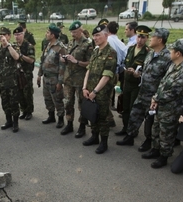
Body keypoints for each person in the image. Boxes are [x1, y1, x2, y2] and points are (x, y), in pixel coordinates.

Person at [116, 28, 172, 150]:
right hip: (142, 92)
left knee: (150, 120)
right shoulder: (151, 53)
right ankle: (130, 137)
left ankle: (148, 141)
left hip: (154, 95)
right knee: (135, 115)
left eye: (152, 37)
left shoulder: (167, 57)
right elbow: (145, 72)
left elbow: (166, 80)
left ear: (160, 40)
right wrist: (138, 74)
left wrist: (157, 97)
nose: (150, 39)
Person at [143, 39, 183, 168]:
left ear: (178, 53)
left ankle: (164, 156)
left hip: (172, 109)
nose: (169, 52)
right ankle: (155, 149)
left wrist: (157, 99)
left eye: (172, 50)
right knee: (156, 129)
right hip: (161, 105)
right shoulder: (174, 65)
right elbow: (163, 83)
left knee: (166, 133)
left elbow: (173, 93)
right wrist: (155, 98)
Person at [82, 24, 117, 154]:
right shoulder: (96, 51)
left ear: (106, 35)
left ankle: (104, 142)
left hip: (101, 92)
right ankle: (94, 137)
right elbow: (88, 70)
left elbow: (106, 76)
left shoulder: (111, 53)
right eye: (94, 35)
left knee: (103, 117)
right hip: (90, 90)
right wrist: (85, 87)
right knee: (92, 115)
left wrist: (95, 92)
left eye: (98, 35)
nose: (95, 38)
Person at [115, 25, 150, 136]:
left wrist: (137, 74)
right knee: (125, 108)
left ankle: (132, 131)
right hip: (126, 82)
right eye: (139, 37)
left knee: (133, 109)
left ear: (147, 38)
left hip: (137, 85)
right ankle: (125, 128)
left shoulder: (148, 52)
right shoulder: (131, 49)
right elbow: (125, 62)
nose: (140, 40)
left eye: (143, 37)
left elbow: (147, 71)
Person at [60, 20, 94, 137]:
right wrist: (64, 59)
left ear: (81, 30)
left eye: (75, 32)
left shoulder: (88, 44)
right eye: (71, 32)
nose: (73, 34)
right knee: (68, 102)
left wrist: (77, 61)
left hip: (80, 80)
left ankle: (82, 126)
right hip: (69, 78)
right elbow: (68, 57)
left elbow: (90, 63)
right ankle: (69, 123)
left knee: (81, 104)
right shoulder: (71, 42)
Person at [37, 24, 67, 128]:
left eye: (48, 32)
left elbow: (63, 66)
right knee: (47, 98)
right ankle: (51, 116)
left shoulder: (60, 48)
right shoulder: (48, 45)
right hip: (46, 77)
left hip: (54, 78)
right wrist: (39, 75)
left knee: (57, 99)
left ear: (53, 35)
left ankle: (60, 119)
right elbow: (43, 61)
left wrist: (60, 82)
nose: (46, 34)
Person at [13, 26, 36, 121]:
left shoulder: (28, 46)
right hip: (17, 73)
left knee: (27, 93)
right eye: (15, 35)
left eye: (19, 34)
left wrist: (21, 55)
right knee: (19, 93)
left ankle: (29, 111)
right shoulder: (14, 46)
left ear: (23, 34)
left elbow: (31, 60)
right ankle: (24, 110)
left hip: (26, 73)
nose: (17, 37)